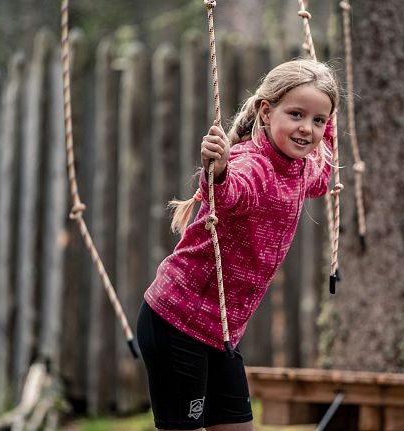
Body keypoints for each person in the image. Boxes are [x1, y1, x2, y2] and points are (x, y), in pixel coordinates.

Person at [136, 58, 340, 431]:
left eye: (318, 120)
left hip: (220, 332)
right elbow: (231, 194)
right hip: (177, 321)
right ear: (266, 112)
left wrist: (329, 131)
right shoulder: (253, 164)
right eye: (296, 114)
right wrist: (218, 172)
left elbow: (323, 179)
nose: (306, 128)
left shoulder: (300, 168)